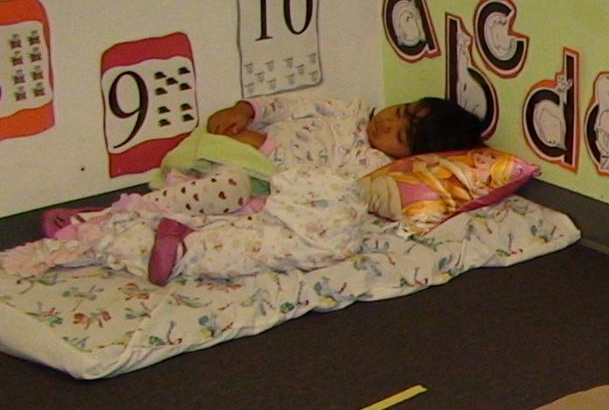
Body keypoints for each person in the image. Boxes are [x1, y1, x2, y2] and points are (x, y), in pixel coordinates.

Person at [3, 95, 483, 285]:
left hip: (253, 179)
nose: (387, 122)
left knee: (235, 200)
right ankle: (111, 216)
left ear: (408, 155)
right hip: (224, 149)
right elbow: (285, 105)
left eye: (399, 133)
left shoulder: (371, 166)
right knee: (229, 185)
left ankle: (110, 225)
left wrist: (270, 161)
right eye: (399, 110)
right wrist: (245, 110)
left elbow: (321, 190)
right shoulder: (347, 109)